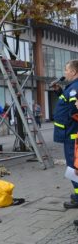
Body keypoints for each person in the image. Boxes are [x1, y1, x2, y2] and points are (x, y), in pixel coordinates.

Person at [52, 60, 78, 209]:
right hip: (70, 134)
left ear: (74, 72)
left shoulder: (75, 88)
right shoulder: (71, 88)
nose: (65, 73)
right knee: (73, 167)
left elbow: (74, 112)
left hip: (72, 136)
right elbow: (69, 105)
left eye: (66, 70)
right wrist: (58, 92)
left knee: (73, 168)